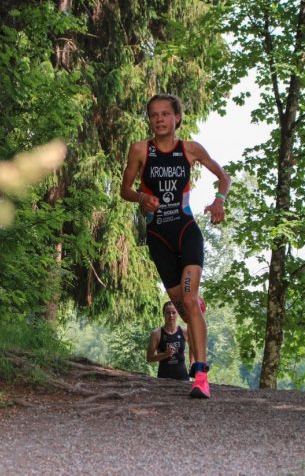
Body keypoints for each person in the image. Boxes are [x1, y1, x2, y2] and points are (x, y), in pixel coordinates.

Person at [120, 94, 230, 399]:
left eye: (166, 114)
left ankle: (201, 376)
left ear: (177, 118)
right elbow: (124, 190)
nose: (159, 119)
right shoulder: (140, 150)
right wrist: (142, 198)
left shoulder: (190, 150)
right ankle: (195, 322)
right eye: (154, 114)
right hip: (158, 238)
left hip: (185, 231)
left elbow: (223, 176)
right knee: (183, 308)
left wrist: (219, 201)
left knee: (190, 301)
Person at [146, 301, 191, 380]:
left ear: (177, 314)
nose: (171, 316)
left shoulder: (184, 331)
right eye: (168, 313)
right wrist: (165, 354)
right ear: (163, 314)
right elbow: (149, 358)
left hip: (182, 376)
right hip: (164, 377)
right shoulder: (156, 333)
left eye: (174, 312)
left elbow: (193, 348)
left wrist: (192, 363)